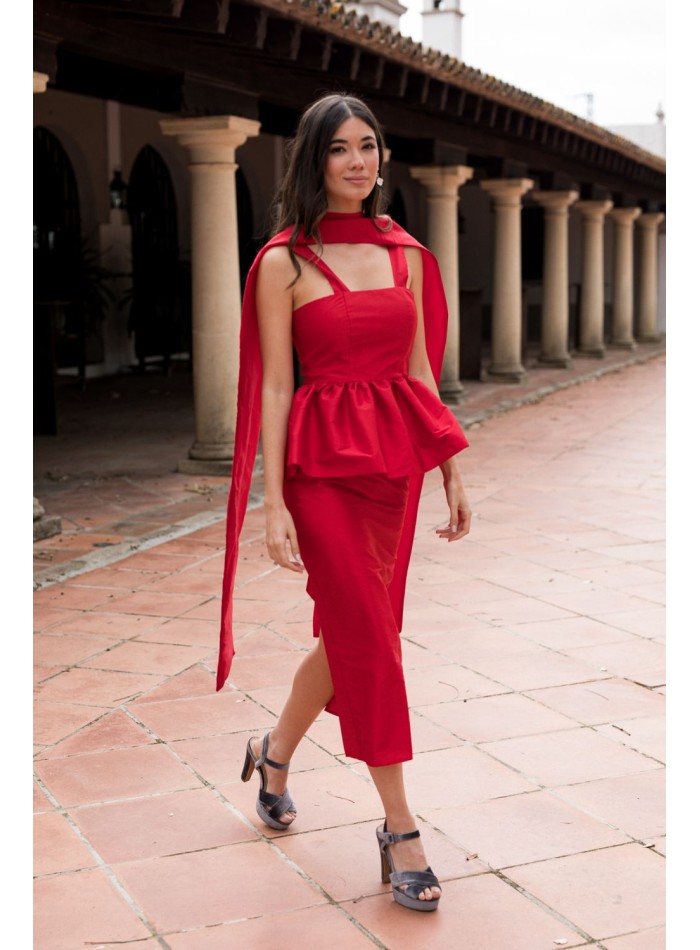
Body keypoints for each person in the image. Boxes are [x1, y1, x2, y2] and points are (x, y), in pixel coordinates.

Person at [217, 92, 471, 911]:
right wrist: (273, 502)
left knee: (355, 634)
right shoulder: (282, 262)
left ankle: (274, 750)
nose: (357, 162)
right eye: (339, 149)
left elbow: (419, 370)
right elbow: (276, 386)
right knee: (370, 636)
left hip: (392, 468)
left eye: (368, 146)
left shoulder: (407, 255)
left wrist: (450, 466)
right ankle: (400, 827)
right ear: (313, 161)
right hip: (320, 471)